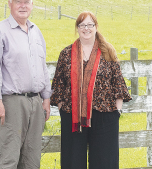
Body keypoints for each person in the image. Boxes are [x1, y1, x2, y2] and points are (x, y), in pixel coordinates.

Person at [50, 11, 131, 169]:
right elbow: (58, 86)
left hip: (105, 116)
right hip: (73, 117)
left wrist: (117, 112)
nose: (86, 28)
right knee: (73, 162)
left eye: (90, 25)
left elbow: (118, 84)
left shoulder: (108, 52)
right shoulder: (66, 54)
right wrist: (63, 111)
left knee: (104, 162)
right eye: (82, 25)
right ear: (77, 28)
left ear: (96, 27)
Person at [0, 0, 52, 169]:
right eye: (18, 2)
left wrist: (46, 98)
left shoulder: (36, 31)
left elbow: (42, 66)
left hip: (36, 103)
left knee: (32, 158)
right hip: (12, 103)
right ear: (10, 4)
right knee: (10, 158)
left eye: (26, 2)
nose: (22, 6)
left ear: (32, 5)